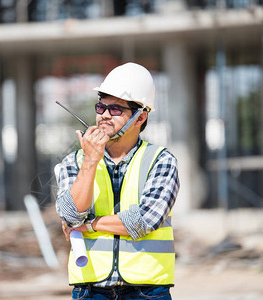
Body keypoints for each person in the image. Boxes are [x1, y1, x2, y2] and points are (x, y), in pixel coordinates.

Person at [55, 62, 180, 300]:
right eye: (101, 106)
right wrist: (91, 161)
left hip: (147, 292)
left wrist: (90, 225)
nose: (103, 115)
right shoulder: (75, 161)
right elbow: (71, 217)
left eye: (115, 109)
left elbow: (143, 221)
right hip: (90, 291)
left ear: (140, 117)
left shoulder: (160, 161)